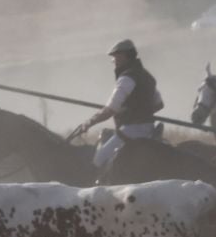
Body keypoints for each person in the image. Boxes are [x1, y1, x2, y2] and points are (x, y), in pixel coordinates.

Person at [69, 40, 164, 172]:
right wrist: (139, 109)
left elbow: (110, 110)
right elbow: (159, 105)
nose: (113, 61)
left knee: (98, 159)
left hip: (131, 131)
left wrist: (89, 122)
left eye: (115, 57)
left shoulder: (126, 78)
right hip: (149, 128)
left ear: (123, 56)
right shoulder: (147, 76)